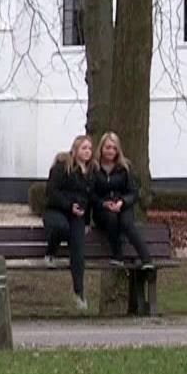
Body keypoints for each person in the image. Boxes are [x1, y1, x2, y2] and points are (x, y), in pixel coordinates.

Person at [42, 135, 95, 309]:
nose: (87, 152)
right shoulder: (63, 166)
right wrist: (68, 205)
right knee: (61, 227)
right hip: (57, 210)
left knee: (78, 249)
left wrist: (86, 220)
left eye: (89, 148)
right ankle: (50, 253)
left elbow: (89, 198)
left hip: (77, 215)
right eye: (84, 148)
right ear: (75, 149)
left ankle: (79, 293)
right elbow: (52, 191)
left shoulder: (90, 172)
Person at [91, 132, 154, 269]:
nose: (111, 151)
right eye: (108, 147)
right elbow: (90, 193)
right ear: (101, 148)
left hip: (122, 205)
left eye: (114, 148)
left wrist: (122, 202)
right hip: (103, 209)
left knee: (127, 223)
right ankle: (117, 256)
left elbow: (133, 192)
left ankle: (146, 259)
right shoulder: (94, 168)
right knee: (111, 218)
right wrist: (103, 203)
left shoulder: (125, 167)